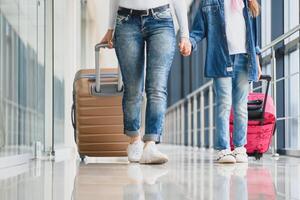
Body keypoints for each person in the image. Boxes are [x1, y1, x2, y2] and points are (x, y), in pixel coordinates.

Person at [101, 0, 189, 164]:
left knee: (157, 88)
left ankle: (150, 144)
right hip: (126, 21)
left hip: (161, 21)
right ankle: (134, 139)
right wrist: (110, 28)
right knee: (133, 88)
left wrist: (185, 35)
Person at [181, 0, 262, 163]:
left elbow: (253, 35)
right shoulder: (209, 2)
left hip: (245, 59)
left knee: (240, 107)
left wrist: (257, 60)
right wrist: (190, 42)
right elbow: (198, 29)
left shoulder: (249, 2)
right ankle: (223, 149)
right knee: (224, 104)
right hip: (220, 58)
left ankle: (240, 148)